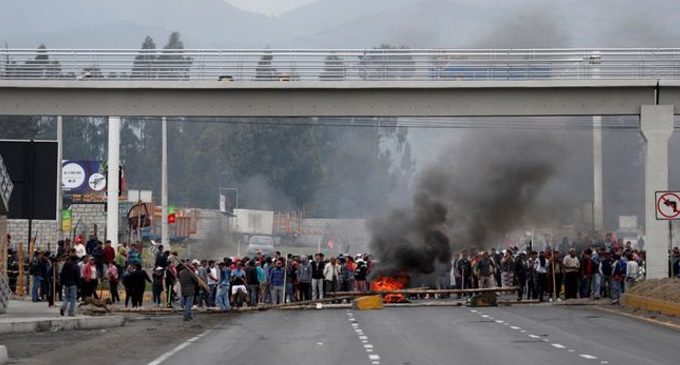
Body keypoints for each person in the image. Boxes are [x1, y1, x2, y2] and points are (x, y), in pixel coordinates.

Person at [60, 248, 80, 317]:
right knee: (73, 299)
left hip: (66, 284)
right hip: (73, 284)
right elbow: (78, 276)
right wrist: (79, 284)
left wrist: (62, 282)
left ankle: (63, 307)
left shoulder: (66, 264)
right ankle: (71, 312)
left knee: (66, 297)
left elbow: (62, 273)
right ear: (76, 260)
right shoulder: (76, 266)